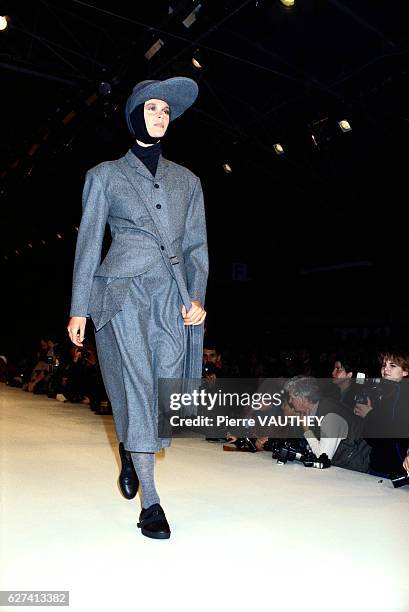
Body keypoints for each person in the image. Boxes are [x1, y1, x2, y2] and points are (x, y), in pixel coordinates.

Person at [67, 77, 208, 539]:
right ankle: (152, 501)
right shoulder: (105, 175)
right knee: (137, 382)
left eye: (166, 111)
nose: (161, 116)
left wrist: (197, 297)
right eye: (152, 108)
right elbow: (88, 245)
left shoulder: (188, 181)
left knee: (163, 391)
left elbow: (196, 248)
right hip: (121, 293)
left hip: (170, 295)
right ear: (133, 115)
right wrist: (79, 308)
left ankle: (131, 447)